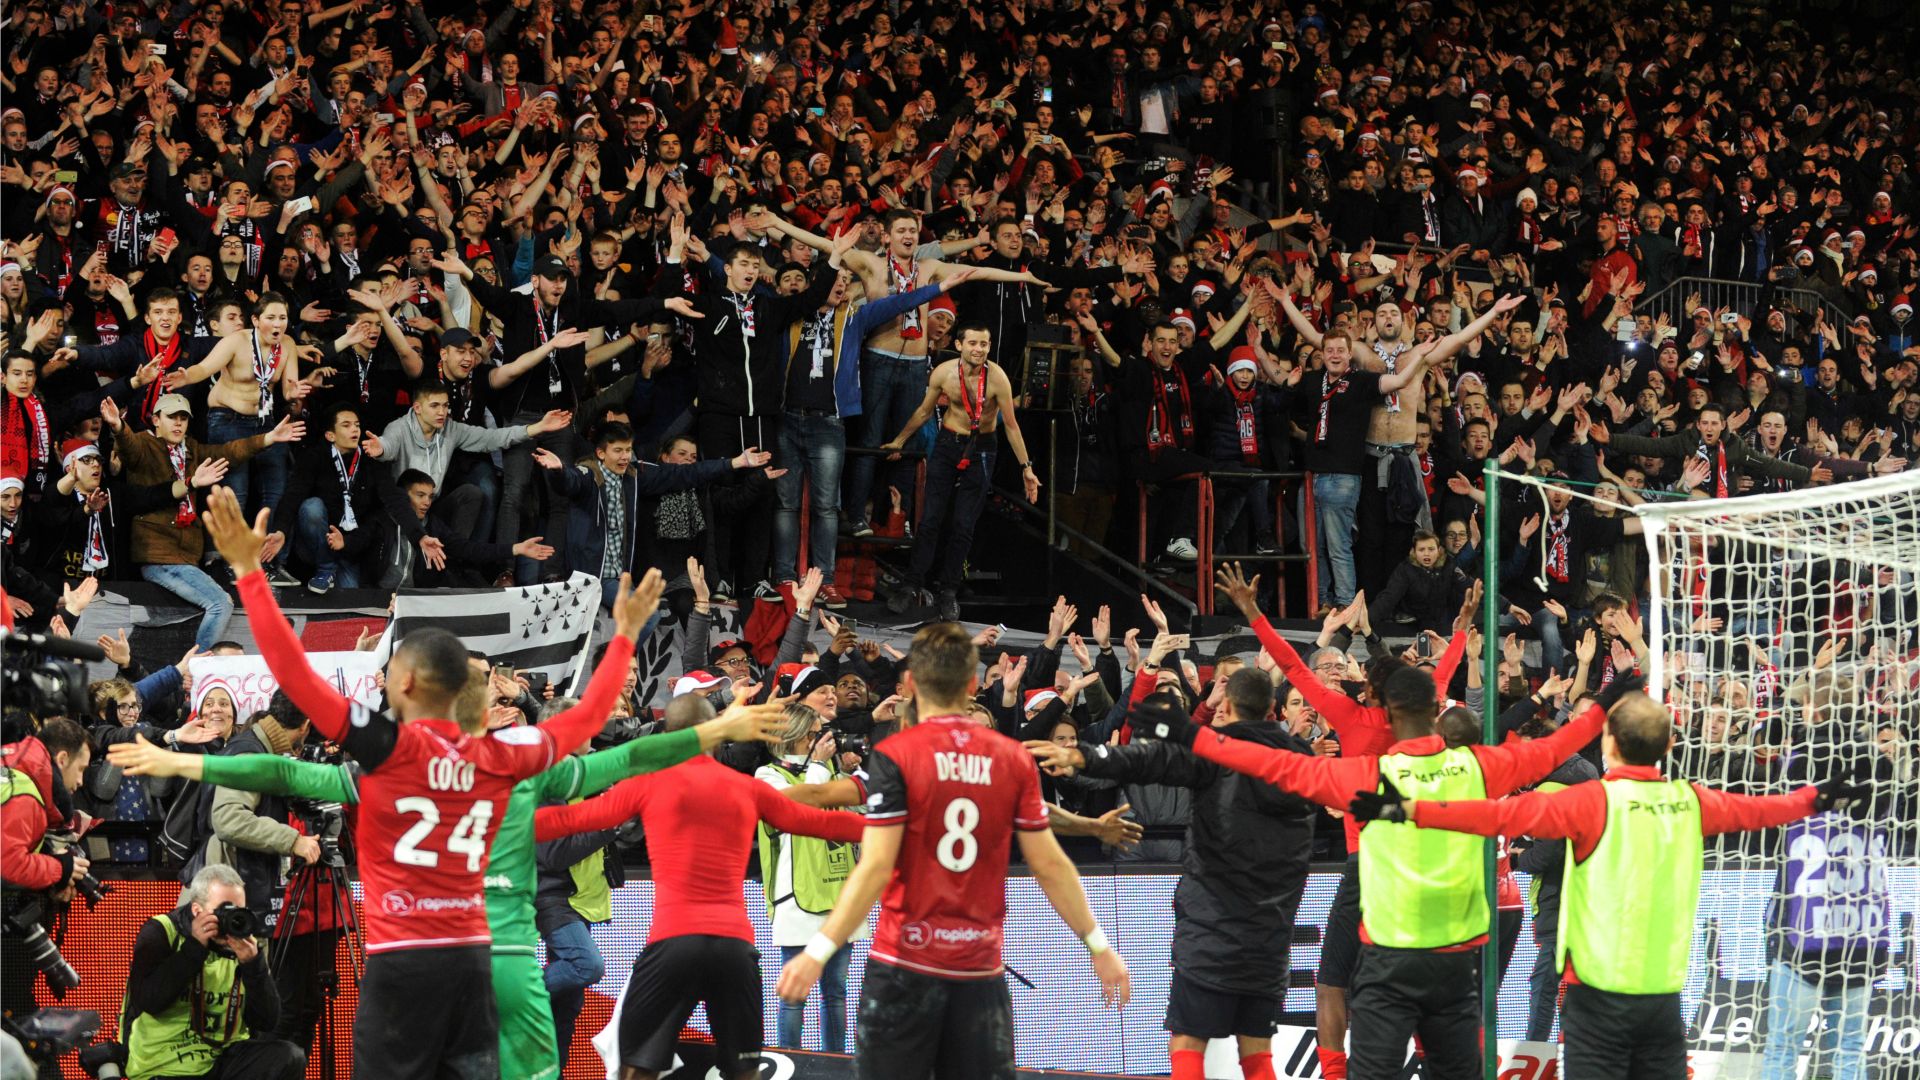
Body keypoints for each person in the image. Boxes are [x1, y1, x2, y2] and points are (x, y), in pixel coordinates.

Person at [196, 484, 668, 1080]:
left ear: (408, 683)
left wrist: (248, 575)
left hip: (405, 963)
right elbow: (589, 718)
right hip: (476, 960)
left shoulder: (390, 750)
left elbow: (294, 675)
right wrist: (623, 637)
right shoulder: (502, 755)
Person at [109, 689, 789, 1080]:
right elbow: (620, 759)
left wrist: (182, 760)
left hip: (409, 957)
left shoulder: (386, 772)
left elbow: (283, 774)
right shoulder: (507, 770)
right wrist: (709, 732)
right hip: (486, 955)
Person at [1134, 600, 1635, 1080]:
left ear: (1390, 713)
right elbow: (1556, 747)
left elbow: (1280, 766)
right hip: (1456, 964)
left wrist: (1192, 735)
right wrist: (1613, 695)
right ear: (1437, 706)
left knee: (1340, 998)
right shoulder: (1480, 768)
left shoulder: (1370, 776)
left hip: (1389, 964)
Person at [1366, 693, 1870, 1080]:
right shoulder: (1691, 802)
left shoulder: (1591, 801)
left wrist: (1408, 808)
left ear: (1607, 743)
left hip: (1594, 999)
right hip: (1662, 1002)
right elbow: (1762, 811)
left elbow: (1497, 815)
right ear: (1669, 746)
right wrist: (1815, 798)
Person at [775, 622, 1130, 1080]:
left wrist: (818, 950)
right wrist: (1100, 946)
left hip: (904, 965)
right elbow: (1049, 863)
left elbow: (877, 865)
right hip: (978, 972)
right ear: (970, 685)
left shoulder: (898, 754)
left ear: (908, 684)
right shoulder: (1010, 757)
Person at [533, 692, 868, 1080]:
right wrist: (890, 828)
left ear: (669, 736)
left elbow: (559, 825)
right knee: (744, 1073)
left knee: (635, 1070)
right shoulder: (747, 787)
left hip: (673, 944)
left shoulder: (645, 784)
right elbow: (822, 823)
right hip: (735, 948)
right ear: (714, 733)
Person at [1027, 667, 1315, 1080]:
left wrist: (1084, 755)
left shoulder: (1217, 754)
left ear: (1227, 705)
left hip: (1212, 930)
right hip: (1271, 936)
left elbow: (1153, 760)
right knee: (1257, 1053)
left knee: (1186, 1046)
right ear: (1273, 709)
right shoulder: (1302, 762)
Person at [881, 323, 1042, 621]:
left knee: (963, 524)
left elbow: (1010, 425)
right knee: (930, 520)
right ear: (959, 345)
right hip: (947, 444)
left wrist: (1026, 468)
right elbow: (924, 411)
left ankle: (949, 591)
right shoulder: (943, 373)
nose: (979, 349)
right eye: (973, 343)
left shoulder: (998, 378)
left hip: (983, 448)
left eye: (984, 344)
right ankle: (911, 585)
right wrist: (900, 440)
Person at [118, 393, 303, 648]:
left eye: (183, 418)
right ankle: (197, 666)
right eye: (172, 417)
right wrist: (117, 425)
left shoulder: (192, 449)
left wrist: (268, 438)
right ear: (156, 420)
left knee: (218, 603)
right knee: (220, 603)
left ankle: (195, 664)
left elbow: (229, 451)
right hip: (159, 556)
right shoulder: (143, 444)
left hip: (185, 557)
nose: (178, 423)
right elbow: (127, 443)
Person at [123, 863, 305, 1080]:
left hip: (222, 1056)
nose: (231, 919)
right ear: (197, 910)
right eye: (223, 911)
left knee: (289, 1057)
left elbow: (266, 1022)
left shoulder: (245, 942)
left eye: (238, 911)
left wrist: (253, 966)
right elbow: (149, 1001)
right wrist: (194, 948)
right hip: (165, 1063)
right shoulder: (161, 931)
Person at [755, 703, 866, 1053]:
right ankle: (791, 1063)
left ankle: (834, 1064)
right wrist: (819, 766)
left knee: (836, 993)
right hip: (797, 899)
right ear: (797, 736)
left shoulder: (829, 773)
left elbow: (866, 812)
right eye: (816, 733)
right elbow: (801, 811)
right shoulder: (768, 776)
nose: (823, 740)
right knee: (794, 994)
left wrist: (850, 774)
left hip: (839, 896)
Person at [158, 293, 306, 535]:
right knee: (235, 494)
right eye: (271, 317)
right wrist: (187, 376)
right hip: (228, 420)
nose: (278, 324)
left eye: (283, 318)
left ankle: (271, 553)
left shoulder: (288, 344)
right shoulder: (236, 341)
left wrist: (295, 391)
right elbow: (204, 368)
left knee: (276, 491)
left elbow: (289, 389)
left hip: (265, 421)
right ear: (256, 320)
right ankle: (226, 554)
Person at [0, 718, 92, 1018]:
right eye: (81, 769)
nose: (81, 781)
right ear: (62, 759)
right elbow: (9, 865)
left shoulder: (13, 771)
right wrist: (60, 868)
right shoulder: (24, 794)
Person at [264, 403, 383, 593]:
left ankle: (332, 570)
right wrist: (280, 531)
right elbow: (293, 496)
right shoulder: (314, 457)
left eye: (357, 425)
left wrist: (348, 544)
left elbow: (375, 516)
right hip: (316, 544)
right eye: (346, 425)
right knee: (312, 507)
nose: (354, 429)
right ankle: (326, 568)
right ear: (330, 435)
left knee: (349, 599)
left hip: (349, 548)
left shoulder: (369, 461)